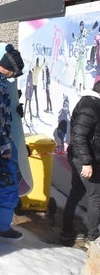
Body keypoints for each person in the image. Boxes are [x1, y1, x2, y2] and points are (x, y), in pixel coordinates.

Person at [0, 43, 25, 240]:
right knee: (7, 186)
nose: (13, 78)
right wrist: (6, 147)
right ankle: (0, 226)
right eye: (14, 73)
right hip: (0, 146)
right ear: (8, 68)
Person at [60, 81, 100, 246]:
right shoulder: (90, 106)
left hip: (83, 157)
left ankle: (67, 231)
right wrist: (86, 162)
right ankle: (93, 237)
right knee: (95, 196)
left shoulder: (92, 104)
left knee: (77, 191)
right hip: (83, 159)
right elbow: (79, 136)